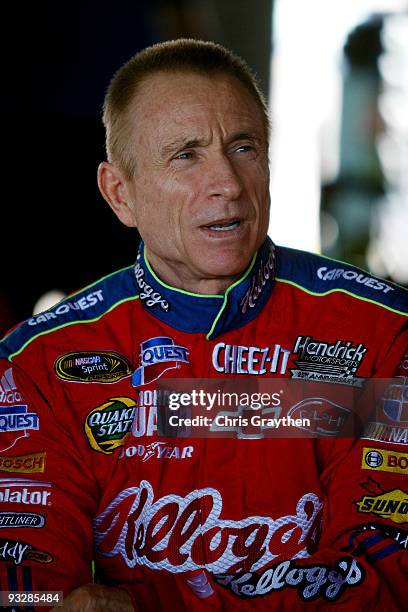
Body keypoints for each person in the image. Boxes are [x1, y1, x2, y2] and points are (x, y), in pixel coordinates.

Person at [0, 39, 407, 611]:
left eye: (243, 148)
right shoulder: (38, 364)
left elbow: (386, 571)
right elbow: (27, 585)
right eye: (185, 155)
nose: (229, 184)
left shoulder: (382, 331)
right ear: (121, 194)